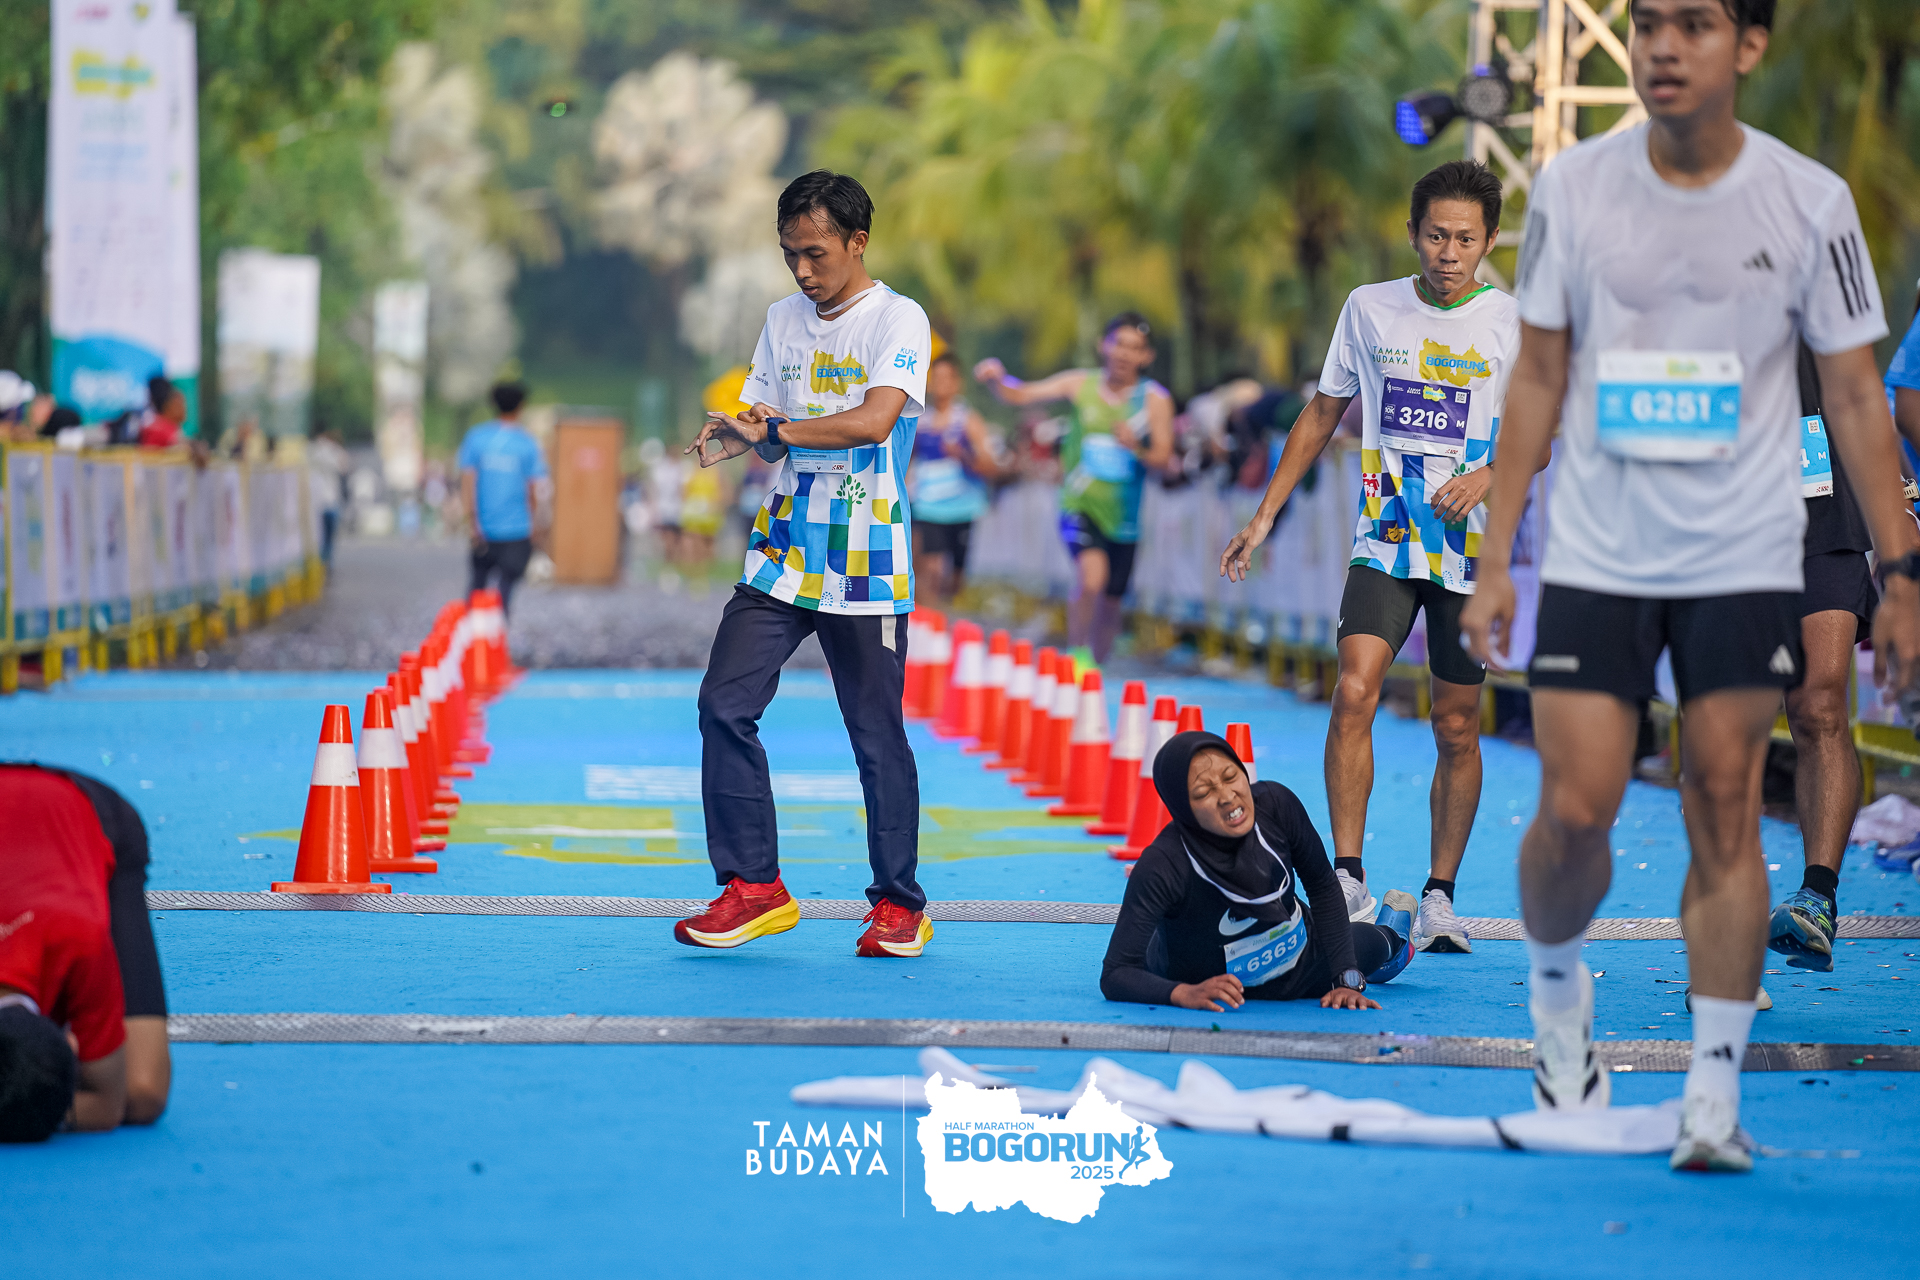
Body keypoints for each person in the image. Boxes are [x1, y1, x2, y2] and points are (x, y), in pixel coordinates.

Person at [1460, 0, 1920, 1172]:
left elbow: (1858, 396)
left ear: (1748, 47)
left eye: (1696, 25)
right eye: (1648, 24)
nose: (1664, 46)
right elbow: (1538, 374)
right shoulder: (1574, 188)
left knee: (1724, 797)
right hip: (1600, 550)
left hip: (1743, 552)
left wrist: (1901, 566)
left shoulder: (1810, 201)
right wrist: (1499, 553)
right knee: (1577, 808)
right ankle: (1558, 1002)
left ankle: (1712, 1094)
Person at [1220, 159, 1519, 955]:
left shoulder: (1513, 323)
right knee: (1354, 691)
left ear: (1490, 241)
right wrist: (1263, 516)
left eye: (1465, 240)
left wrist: (1488, 475)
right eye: (1436, 236)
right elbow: (1322, 414)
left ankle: (1440, 896)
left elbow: (1541, 435)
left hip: (1469, 550)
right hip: (1385, 537)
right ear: (1412, 233)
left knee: (1455, 723)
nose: (1449, 253)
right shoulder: (1369, 308)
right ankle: (1347, 878)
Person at [675, 169, 934, 959]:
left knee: (876, 736)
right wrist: (743, 433)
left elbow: (875, 421)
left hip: (865, 558)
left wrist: (777, 432)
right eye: (790, 254)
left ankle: (900, 905)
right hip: (784, 553)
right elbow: (767, 423)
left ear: (858, 242)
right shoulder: (781, 320)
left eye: (816, 253)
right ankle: (754, 887)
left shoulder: (898, 319)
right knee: (723, 705)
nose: (801, 270)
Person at [1101, 731, 1415, 1011]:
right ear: (1183, 807)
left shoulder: (1276, 806)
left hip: (1304, 964)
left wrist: (1346, 977)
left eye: (1231, 776)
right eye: (1204, 792)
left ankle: (1395, 929)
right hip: (1202, 980)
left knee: (1376, 945)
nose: (1227, 797)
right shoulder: (1162, 864)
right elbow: (1117, 973)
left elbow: (1321, 884)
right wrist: (1183, 992)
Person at [1768, 347, 1892, 972]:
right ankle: (1722, 945)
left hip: (1823, 509)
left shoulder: (1824, 289)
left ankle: (1817, 897)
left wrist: (1897, 515)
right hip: (1722, 523)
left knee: (1819, 706)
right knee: (1727, 729)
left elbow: (1859, 389)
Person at [974, 315, 1175, 664]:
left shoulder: (1155, 400)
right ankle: (1078, 657)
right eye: (1119, 344)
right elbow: (1021, 393)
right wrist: (996, 379)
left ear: (1146, 356)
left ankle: (1096, 669)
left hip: (1124, 518)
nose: (1124, 354)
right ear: (1103, 345)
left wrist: (1136, 447)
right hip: (1080, 504)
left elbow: (1163, 458)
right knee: (1091, 580)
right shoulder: (1081, 384)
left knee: (1111, 600)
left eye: (1134, 348)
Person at [0, 765, 170, 1141]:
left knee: (143, 1094)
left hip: (85, 808)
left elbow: (111, 1105)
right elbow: (103, 1105)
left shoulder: (82, 936)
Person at [907, 353, 1006, 608]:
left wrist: (962, 455)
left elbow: (991, 466)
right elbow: (907, 462)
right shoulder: (920, 421)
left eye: (946, 378)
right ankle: (928, 620)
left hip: (962, 509)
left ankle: (943, 617)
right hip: (928, 508)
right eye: (935, 378)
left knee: (955, 580)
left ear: (957, 383)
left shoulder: (968, 421)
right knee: (931, 569)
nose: (940, 384)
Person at [456, 382, 548, 616]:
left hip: (483, 527)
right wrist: (535, 525)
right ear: (521, 406)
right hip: (517, 528)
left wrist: (470, 520)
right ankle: (498, 629)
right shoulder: (527, 443)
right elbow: (533, 489)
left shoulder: (476, 438)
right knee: (506, 587)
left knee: (477, 585)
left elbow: (467, 483)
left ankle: (473, 632)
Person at [309, 424, 351, 570]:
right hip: (330, 500)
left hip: (317, 501)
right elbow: (344, 468)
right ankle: (326, 562)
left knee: (320, 536)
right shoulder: (334, 452)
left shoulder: (311, 450)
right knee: (329, 536)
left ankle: (322, 561)